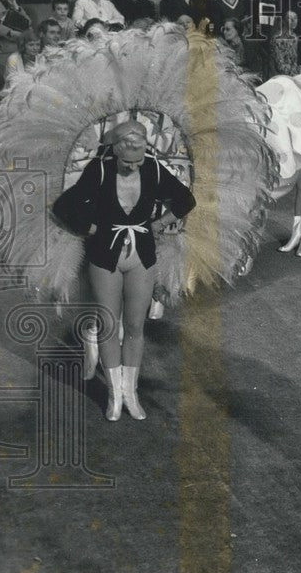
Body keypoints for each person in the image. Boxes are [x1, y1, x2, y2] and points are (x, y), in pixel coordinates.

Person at [51, 120, 195, 421]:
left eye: (139, 160)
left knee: (134, 327)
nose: (134, 167)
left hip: (142, 256)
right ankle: (114, 396)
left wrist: (159, 223)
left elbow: (186, 199)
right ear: (116, 152)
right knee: (107, 325)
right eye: (128, 162)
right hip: (105, 257)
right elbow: (63, 206)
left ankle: (131, 393)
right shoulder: (100, 170)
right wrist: (90, 228)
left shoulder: (153, 169)